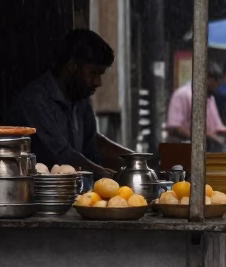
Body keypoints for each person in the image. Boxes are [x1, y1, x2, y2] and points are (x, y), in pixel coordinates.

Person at [7, 29, 135, 178]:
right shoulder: (34, 101)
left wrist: (138, 162)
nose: (98, 82)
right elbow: (62, 156)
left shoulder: (81, 99)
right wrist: (112, 177)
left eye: (101, 74)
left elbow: (92, 146)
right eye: (93, 73)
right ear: (72, 66)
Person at [165, 63, 226, 150]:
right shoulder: (183, 94)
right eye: (217, 82)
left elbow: (216, 126)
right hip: (182, 145)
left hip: (206, 144)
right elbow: (175, 127)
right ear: (208, 79)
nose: (218, 86)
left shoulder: (210, 98)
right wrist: (201, 136)